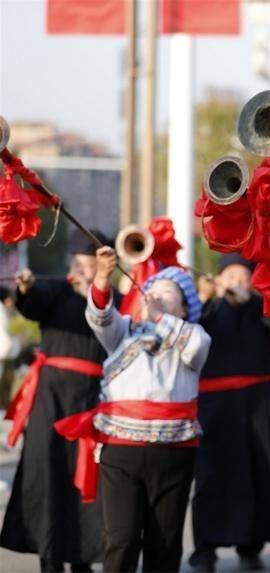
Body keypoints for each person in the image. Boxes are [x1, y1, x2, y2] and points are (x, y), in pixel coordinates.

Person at [54, 247, 210, 573]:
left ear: (184, 307)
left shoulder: (192, 335)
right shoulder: (123, 330)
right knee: (122, 538)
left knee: (164, 542)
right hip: (121, 450)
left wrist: (160, 317)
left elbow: (195, 348)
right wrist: (102, 276)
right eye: (152, 291)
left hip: (174, 451)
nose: (156, 296)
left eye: (168, 294)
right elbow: (99, 317)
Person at [0, 229, 113, 573]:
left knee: (87, 479)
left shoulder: (111, 299)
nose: (83, 269)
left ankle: (83, 558)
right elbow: (32, 305)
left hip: (93, 398)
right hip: (50, 398)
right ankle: (49, 558)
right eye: (78, 263)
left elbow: (114, 324)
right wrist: (24, 288)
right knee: (46, 475)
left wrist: (96, 293)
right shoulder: (56, 289)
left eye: (90, 264)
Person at [189, 254, 270, 573]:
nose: (236, 282)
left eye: (243, 277)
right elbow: (187, 334)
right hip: (214, 407)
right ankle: (204, 550)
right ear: (219, 278)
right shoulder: (207, 309)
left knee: (259, 469)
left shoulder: (261, 307)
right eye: (230, 276)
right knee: (210, 476)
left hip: (257, 404)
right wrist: (203, 297)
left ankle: (250, 545)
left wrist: (256, 300)